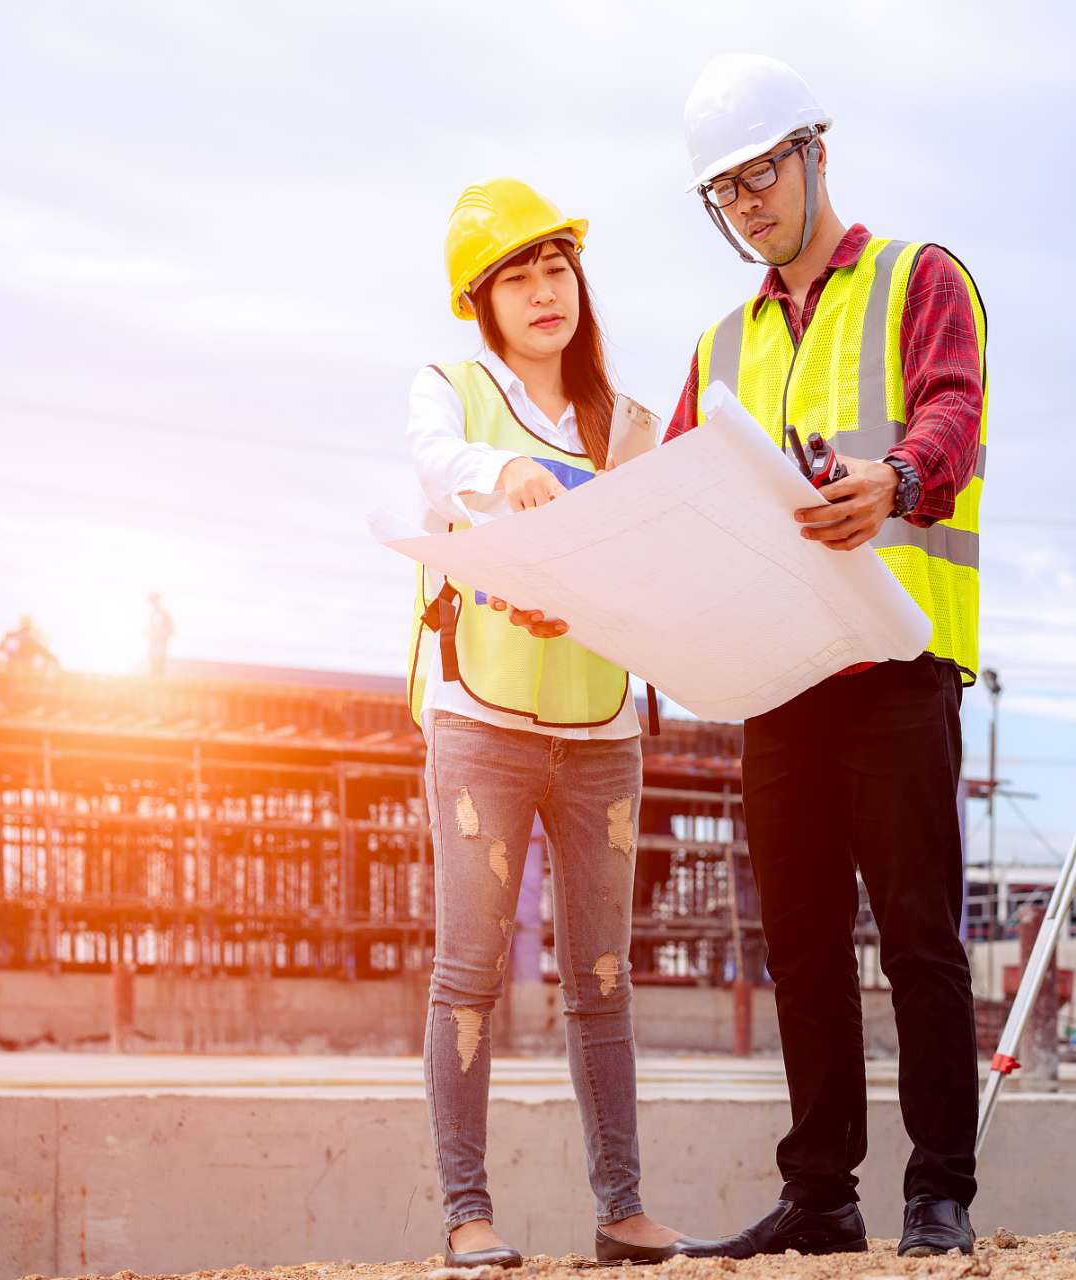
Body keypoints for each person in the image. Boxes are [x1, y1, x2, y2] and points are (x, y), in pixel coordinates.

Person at [663, 55, 988, 1259]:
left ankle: (938, 1191)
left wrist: (896, 477)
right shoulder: (719, 342)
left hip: (893, 661)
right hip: (780, 679)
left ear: (812, 152)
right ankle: (821, 1193)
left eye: (759, 175)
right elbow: (681, 496)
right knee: (799, 942)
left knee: (917, 936)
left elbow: (952, 412)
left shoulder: (919, 277)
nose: (746, 204)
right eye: (723, 192)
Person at [404, 176, 711, 1268]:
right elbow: (440, 467)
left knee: (602, 975)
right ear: (479, 303)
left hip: (601, 726)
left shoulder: (628, 424)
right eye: (517, 275)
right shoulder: (451, 391)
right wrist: (509, 471)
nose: (545, 290)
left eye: (557, 266)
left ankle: (622, 1209)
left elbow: (658, 559)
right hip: (481, 717)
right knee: (470, 968)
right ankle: (467, 1215)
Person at [146, 592, 174, 678]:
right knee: (153, 663)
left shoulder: (163, 614)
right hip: (154, 644)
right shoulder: (153, 614)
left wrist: (159, 635)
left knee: (159, 664)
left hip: (160, 644)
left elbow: (171, 630)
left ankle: (158, 682)